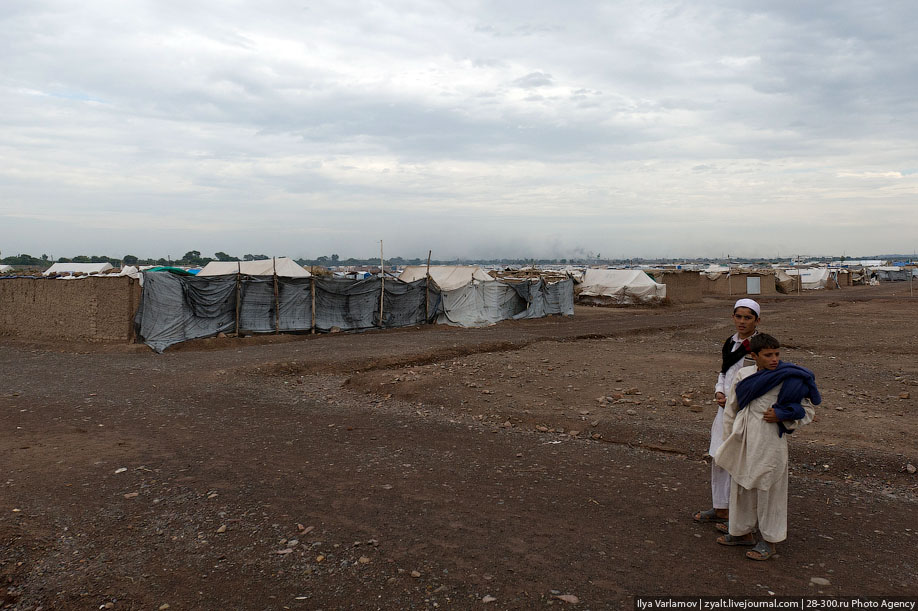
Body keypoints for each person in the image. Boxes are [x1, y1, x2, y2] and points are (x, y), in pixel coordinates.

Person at [713, 333, 821, 560]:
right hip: (743, 438)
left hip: (770, 441)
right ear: (754, 356)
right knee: (741, 485)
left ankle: (770, 540)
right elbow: (732, 409)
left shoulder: (789, 378)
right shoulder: (744, 375)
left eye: (777, 354)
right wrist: (728, 438)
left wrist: (783, 415)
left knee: (769, 488)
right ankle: (741, 532)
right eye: (768, 355)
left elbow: (807, 410)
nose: (774, 359)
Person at [693, 298, 761, 525]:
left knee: (739, 461)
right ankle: (721, 507)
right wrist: (719, 392)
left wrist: (735, 400)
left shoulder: (761, 346)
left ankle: (740, 515)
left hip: (745, 412)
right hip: (724, 411)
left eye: (747, 317)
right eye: (738, 316)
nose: (742, 322)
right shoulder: (730, 343)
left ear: (757, 320)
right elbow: (724, 372)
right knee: (719, 457)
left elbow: (760, 381)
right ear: (733, 317)